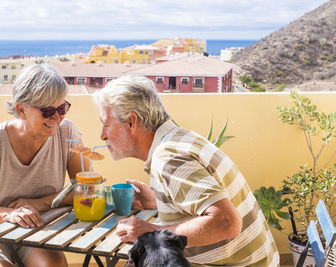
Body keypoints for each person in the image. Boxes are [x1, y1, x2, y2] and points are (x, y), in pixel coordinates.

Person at [93, 75, 279, 266]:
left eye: (106, 124)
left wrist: (150, 232)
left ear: (131, 121)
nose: (102, 135)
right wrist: (159, 201)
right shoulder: (180, 139)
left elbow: (226, 222)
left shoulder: (168, 158)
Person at [0, 64, 89, 267]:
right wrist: (10, 214)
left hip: (35, 227)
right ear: (21, 109)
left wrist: (40, 203)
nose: (57, 118)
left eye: (62, 108)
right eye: (48, 111)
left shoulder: (67, 133)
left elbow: (86, 190)